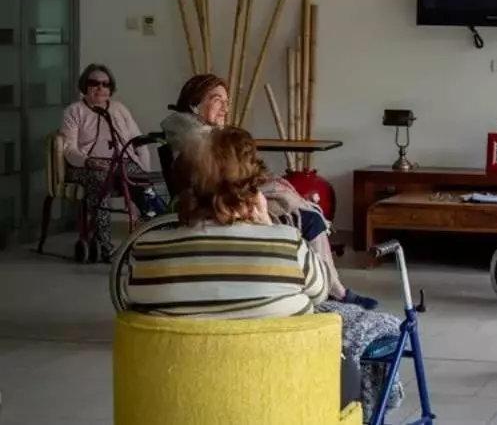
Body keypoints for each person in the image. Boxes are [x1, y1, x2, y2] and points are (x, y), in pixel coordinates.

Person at [114, 127, 359, 409]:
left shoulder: (146, 251)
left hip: (179, 404)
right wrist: (268, 226)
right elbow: (321, 292)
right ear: (253, 189)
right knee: (353, 364)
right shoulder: (287, 246)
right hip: (278, 400)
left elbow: (130, 300)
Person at [160, 73, 376, 310]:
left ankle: (331, 287)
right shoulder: (201, 141)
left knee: (292, 197)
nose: (225, 108)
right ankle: (330, 289)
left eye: (227, 101)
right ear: (194, 103)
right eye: (217, 100)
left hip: (223, 199)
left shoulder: (195, 133)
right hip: (223, 204)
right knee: (309, 218)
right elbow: (228, 182)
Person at [60, 63, 162, 261]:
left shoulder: (118, 109)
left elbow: (138, 141)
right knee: (100, 184)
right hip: (87, 166)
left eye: (105, 84)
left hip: (121, 161)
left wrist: (144, 173)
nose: (100, 88)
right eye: (94, 83)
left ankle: (156, 238)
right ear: (85, 86)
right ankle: (105, 247)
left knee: (147, 192)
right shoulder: (74, 111)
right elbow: (69, 149)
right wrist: (87, 161)